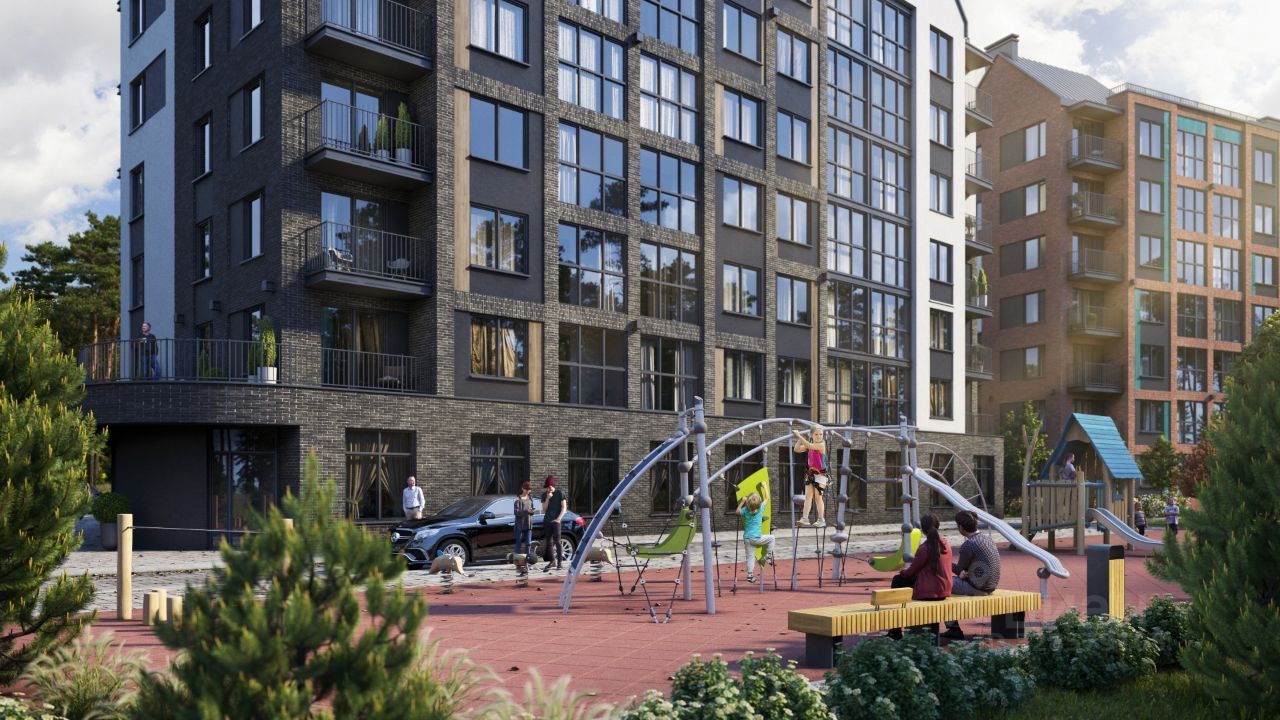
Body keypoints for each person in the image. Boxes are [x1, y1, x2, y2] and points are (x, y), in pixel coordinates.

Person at [888, 514, 951, 639]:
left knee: (897, 580)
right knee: (904, 580)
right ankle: (895, 629)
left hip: (928, 593)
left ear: (922, 529)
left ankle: (895, 630)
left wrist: (902, 572)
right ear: (938, 526)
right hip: (945, 590)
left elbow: (911, 572)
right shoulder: (946, 545)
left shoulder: (925, 548)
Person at [941, 510, 1000, 640]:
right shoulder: (987, 539)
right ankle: (952, 627)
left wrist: (943, 560)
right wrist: (962, 572)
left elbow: (960, 569)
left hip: (977, 587)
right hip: (991, 585)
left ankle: (953, 628)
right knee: (948, 583)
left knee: (941, 584)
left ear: (961, 527)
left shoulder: (969, 544)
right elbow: (962, 571)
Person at [792, 426, 828, 527]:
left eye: (821, 434)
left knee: (817, 497)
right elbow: (797, 449)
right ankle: (805, 519)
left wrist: (799, 435)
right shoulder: (810, 445)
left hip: (820, 474)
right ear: (811, 435)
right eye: (816, 434)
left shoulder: (821, 445)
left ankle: (821, 519)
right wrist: (800, 438)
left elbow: (809, 445)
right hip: (810, 473)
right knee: (808, 496)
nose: (819, 436)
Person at [737, 492, 774, 584]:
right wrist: (764, 486)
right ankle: (768, 556)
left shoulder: (745, 510)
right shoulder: (761, 508)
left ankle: (750, 575)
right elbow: (767, 498)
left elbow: (737, 512)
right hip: (756, 538)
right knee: (772, 538)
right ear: (759, 503)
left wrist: (742, 502)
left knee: (750, 557)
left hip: (747, 538)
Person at [541, 475, 566, 571]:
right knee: (549, 542)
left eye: (550, 486)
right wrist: (547, 498)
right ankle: (552, 561)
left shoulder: (560, 493)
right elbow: (544, 509)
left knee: (558, 541)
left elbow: (564, 507)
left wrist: (559, 519)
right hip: (547, 521)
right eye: (547, 487)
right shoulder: (544, 495)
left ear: (553, 485)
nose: (548, 488)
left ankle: (560, 563)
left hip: (556, 521)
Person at [513, 481, 534, 558]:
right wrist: (526, 511)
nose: (528, 491)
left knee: (528, 544)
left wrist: (532, 511)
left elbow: (532, 510)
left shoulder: (530, 498)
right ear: (522, 489)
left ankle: (528, 561)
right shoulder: (517, 499)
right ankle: (516, 561)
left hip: (528, 524)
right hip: (519, 525)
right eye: (526, 489)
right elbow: (516, 512)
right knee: (518, 543)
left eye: (529, 490)